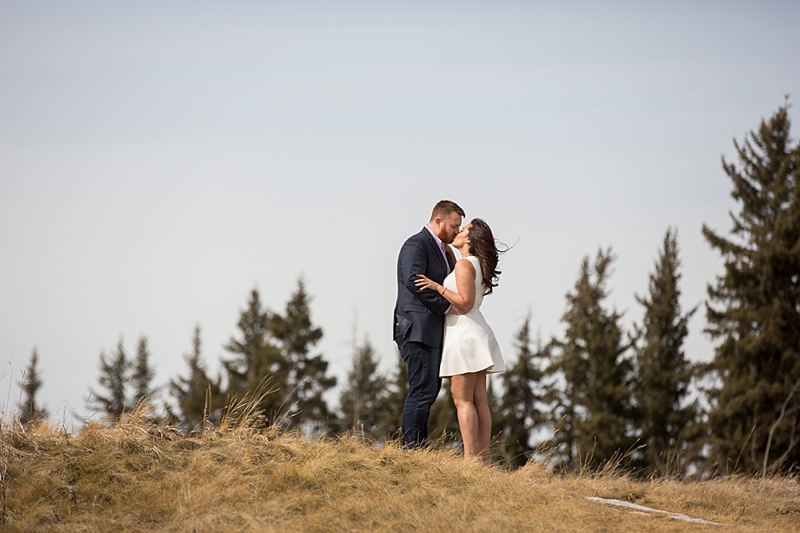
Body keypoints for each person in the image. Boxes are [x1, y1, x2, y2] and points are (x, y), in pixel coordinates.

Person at [415, 218, 505, 465]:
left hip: (464, 334)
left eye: (463, 229)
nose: (458, 231)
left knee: (463, 399)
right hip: (475, 331)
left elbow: (464, 301)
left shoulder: (465, 265)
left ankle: (470, 459)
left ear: (469, 239)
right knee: (479, 401)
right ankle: (483, 458)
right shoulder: (469, 263)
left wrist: (436, 287)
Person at [394, 200, 465, 448]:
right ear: (438, 221)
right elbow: (414, 281)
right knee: (422, 389)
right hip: (416, 328)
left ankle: (417, 447)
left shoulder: (445, 251)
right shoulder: (417, 244)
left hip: (431, 330)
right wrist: (447, 305)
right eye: (454, 226)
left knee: (429, 390)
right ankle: (411, 449)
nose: (457, 231)